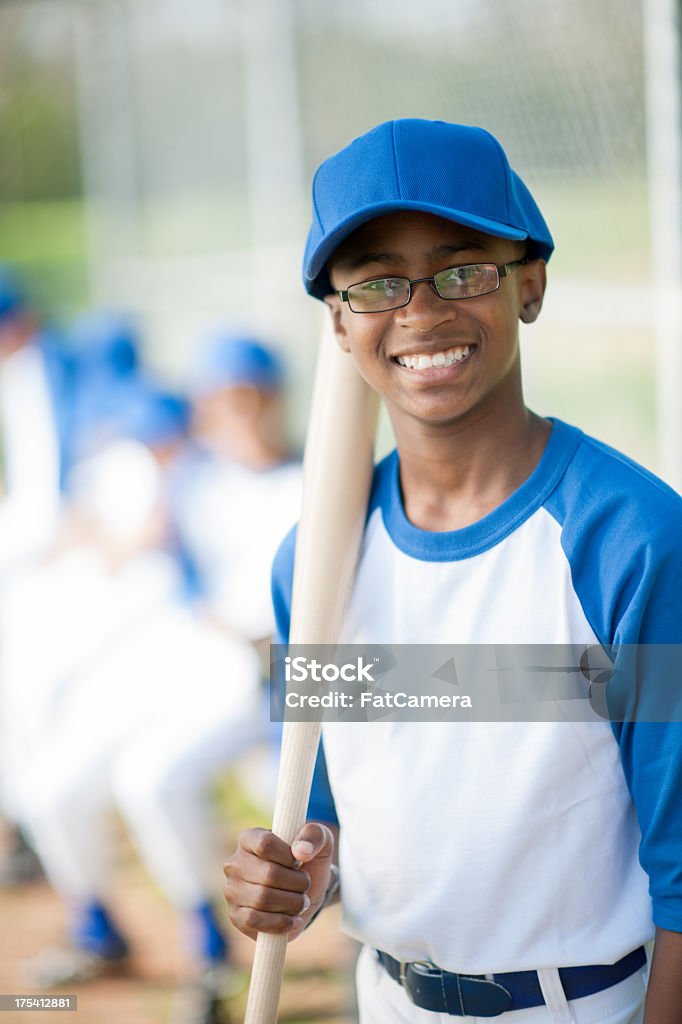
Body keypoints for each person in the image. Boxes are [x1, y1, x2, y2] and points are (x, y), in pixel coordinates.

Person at [223, 120, 682, 1023]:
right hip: (386, 998)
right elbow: (326, 820)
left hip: (583, 1004)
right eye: (378, 283)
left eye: (464, 268)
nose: (422, 312)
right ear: (340, 321)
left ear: (531, 283)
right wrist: (300, 878)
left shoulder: (631, 539)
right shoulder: (313, 559)